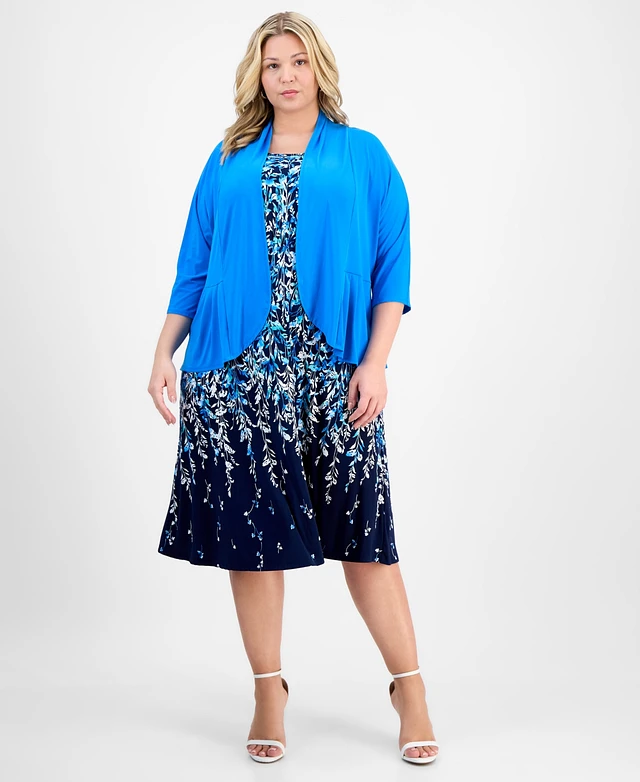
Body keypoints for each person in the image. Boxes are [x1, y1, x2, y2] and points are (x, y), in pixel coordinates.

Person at [148, 10, 439, 766]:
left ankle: (410, 689)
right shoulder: (229, 158)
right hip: (235, 375)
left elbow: (393, 266)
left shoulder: (361, 154)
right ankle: (268, 690)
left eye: (298, 61)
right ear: (258, 75)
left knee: (366, 540)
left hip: (333, 373)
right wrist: (165, 351)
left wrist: (376, 362)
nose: (285, 75)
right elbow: (195, 263)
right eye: (272, 64)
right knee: (253, 546)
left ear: (319, 69)